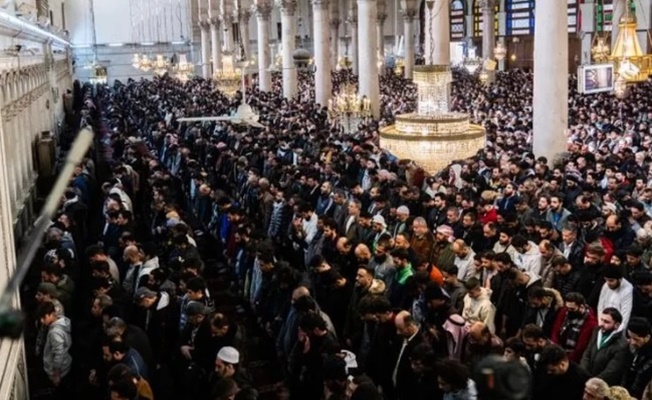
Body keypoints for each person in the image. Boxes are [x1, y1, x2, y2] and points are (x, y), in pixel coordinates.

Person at [580, 307, 629, 385]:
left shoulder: (622, 344)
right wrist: (583, 373)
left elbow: (612, 370)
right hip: (587, 378)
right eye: (601, 320)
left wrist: (593, 381)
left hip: (602, 384)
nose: (601, 324)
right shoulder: (596, 331)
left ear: (616, 325)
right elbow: (586, 354)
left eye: (606, 322)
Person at [37, 301, 73, 394]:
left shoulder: (55, 332)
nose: (42, 321)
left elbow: (58, 353)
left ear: (52, 314)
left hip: (58, 371)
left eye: (44, 317)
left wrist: (56, 374)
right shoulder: (62, 322)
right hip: (65, 364)